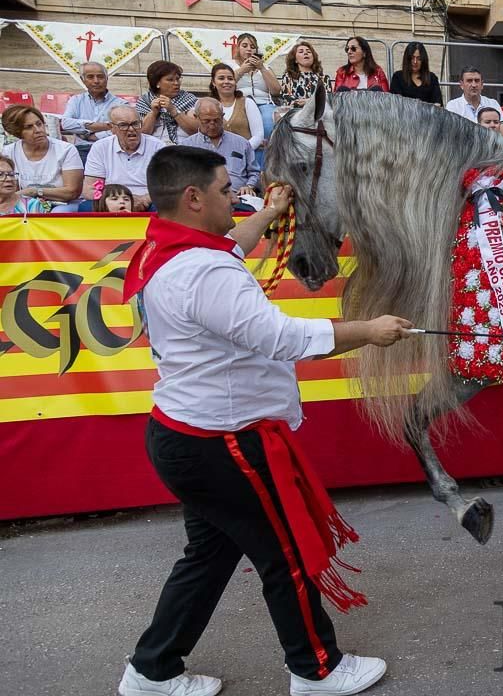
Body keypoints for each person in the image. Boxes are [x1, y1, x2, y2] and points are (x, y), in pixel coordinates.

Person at [118, 145, 412, 696]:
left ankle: (152, 670)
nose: (236, 196)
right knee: (288, 554)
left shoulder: (172, 244)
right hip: (222, 444)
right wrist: (367, 331)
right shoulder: (204, 271)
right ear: (193, 197)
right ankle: (316, 668)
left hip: (187, 434)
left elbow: (232, 243)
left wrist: (271, 213)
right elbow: (281, 338)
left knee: (208, 556)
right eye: (227, 189)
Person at [82, 105, 165, 212]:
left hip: (148, 199)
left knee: (163, 208)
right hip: (112, 198)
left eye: (135, 124)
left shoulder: (158, 146)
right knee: (86, 208)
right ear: (112, 128)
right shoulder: (100, 147)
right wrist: (120, 202)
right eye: (123, 125)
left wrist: (145, 199)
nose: (131, 129)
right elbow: (90, 189)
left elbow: (166, 187)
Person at [1, 105, 84, 211]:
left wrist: (34, 191)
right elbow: (10, 191)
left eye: (39, 124)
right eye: (29, 127)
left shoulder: (66, 150)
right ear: (17, 132)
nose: (38, 130)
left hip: (63, 204)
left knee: (57, 214)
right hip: (27, 203)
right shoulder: (8, 152)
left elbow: (72, 192)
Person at [180, 98, 258, 198]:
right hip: (201, 200)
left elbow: (254, 172)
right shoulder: (185, 147)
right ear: (196, 117)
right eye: (206, 121)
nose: (212, 125)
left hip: (238, 197)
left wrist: (249, 186)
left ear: (222, 117)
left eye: (216, 120)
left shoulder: (242, 143)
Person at [60, 62, 126, 162]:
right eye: (90, 77)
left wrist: (92, 136)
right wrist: (105, 126)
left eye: (100, 77)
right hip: (82, 150)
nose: (96, 81)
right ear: (83, 80)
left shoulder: (121, 104)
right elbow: (66, 123)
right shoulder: (76, 100)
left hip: (110, 149)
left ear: (107, 78)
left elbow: (123, 128)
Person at [226, 33, 281, 147]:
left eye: (252, 46)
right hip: (241, 103)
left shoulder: (265, 67)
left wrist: (261, 68)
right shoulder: (230, 66)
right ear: (238, 48)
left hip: (264, 103)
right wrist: (241, 70)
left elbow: (276, 91)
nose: (249, 49)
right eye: (244, 46)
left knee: (269, 124)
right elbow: (225, 85)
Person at [137, 61, 199, 144]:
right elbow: (141, 135)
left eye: (177, 79)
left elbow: (197, 131)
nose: (176, 83)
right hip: (154, 148)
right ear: (157, 83)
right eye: (170, 80)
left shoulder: (189, 99)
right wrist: (153, 113)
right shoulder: (145, 101)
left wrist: (174, 111)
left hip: (184, 147)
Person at [209, 63, 264, 152]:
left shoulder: (247, 103)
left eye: (230, 79)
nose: (226, 81)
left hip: (244, 157)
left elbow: (258, 135)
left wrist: (240, 151)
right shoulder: (207, 105)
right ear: (213, 82)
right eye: (221, 78)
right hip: (215, 157)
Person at [445, 66, 503, 138]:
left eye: (477, 80)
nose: (474, 85)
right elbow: (450, 135)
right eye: (469, 81)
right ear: (461, 85)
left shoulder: (493, 103)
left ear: (482, 84)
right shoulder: (453, 106)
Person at [278, 41, 333, 112]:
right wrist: (313, 102)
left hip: (318, 114)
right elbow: (288, 100)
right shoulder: (288, 77)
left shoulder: (324, 78)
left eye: (309, 52)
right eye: (301, 52)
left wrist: (308, 102)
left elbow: (328, 100)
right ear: (295, 60)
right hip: (297, 115)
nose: (306, 53)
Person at [390, 41, 443, 105]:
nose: (415, 62)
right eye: (412, 58)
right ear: (407, 59)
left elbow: (438, 103)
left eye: (419, 58)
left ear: (423, 60)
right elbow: (396, 103)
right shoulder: (398, 77)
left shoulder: (432, 78)